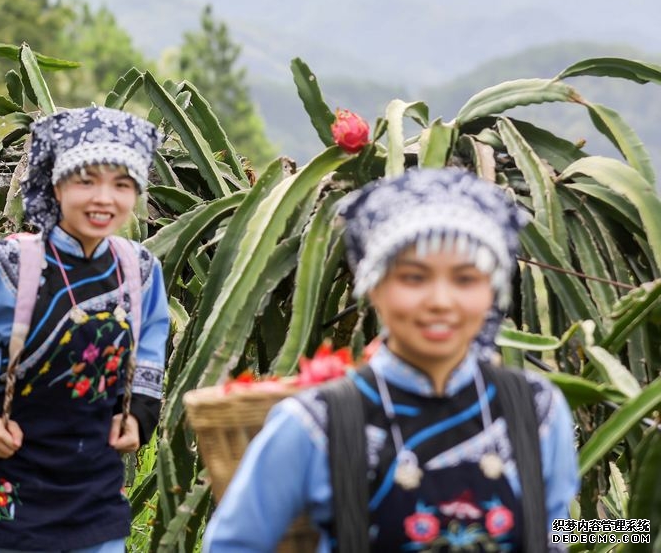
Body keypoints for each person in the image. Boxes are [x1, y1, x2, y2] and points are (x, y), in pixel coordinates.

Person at [204, 168, 580, 552]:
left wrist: (638, 529)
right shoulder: (316, 424)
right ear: (374, 288)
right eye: (414, 278)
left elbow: (557, 530)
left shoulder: (537, 410)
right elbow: (233, 543)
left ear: (491, 292)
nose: (440, 301)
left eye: (465, 279)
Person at [0, 106, 170, 552]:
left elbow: (150, 345)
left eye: (122, 184)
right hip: (11, 478)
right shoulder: (3, 264)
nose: (104, 199)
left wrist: (139, 414)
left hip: (96, 486)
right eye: (86, 181)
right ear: (56, 183)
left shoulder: (140, 270)